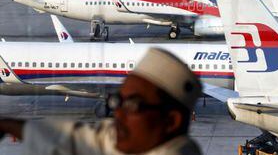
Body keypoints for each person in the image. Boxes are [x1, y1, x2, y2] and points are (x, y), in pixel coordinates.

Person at [0, 48, 203, 155]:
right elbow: (80, 139)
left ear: (171, 121)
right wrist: (9, 126)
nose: (119, 113)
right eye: (118, 101)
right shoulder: (141, 141)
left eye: (134, 105)